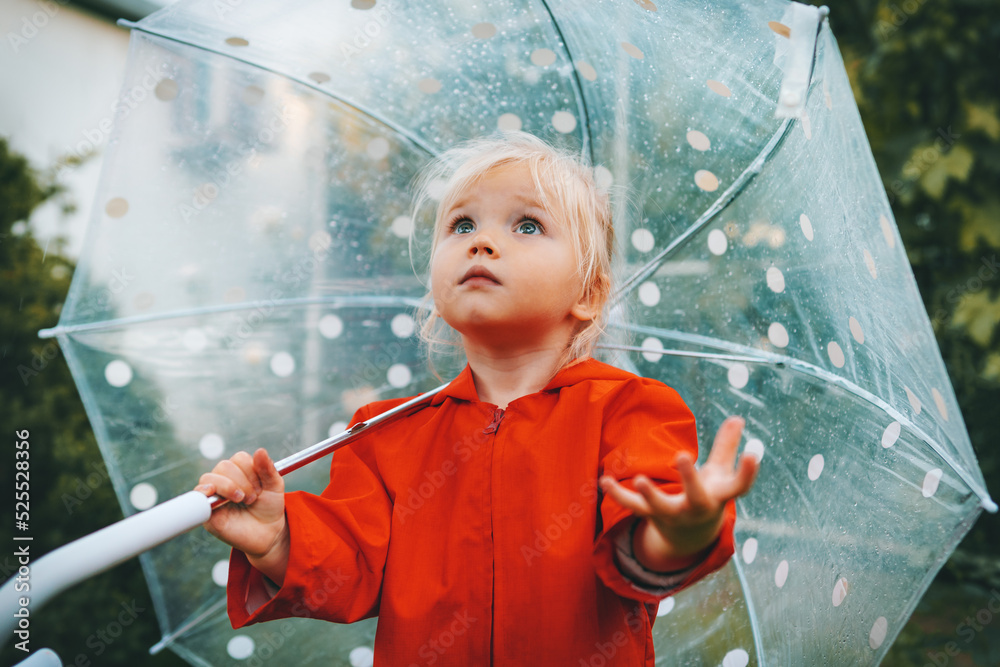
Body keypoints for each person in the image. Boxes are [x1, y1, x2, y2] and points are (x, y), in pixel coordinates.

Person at [195, 131, 759, 666]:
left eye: (529, 226)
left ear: (588, 294)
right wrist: (278, 540)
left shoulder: (630, 411)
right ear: (436, 289)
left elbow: (638, 547)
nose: (482, 242)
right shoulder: (385, 432)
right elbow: (350, 566)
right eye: (461, 224)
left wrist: (679, 530)